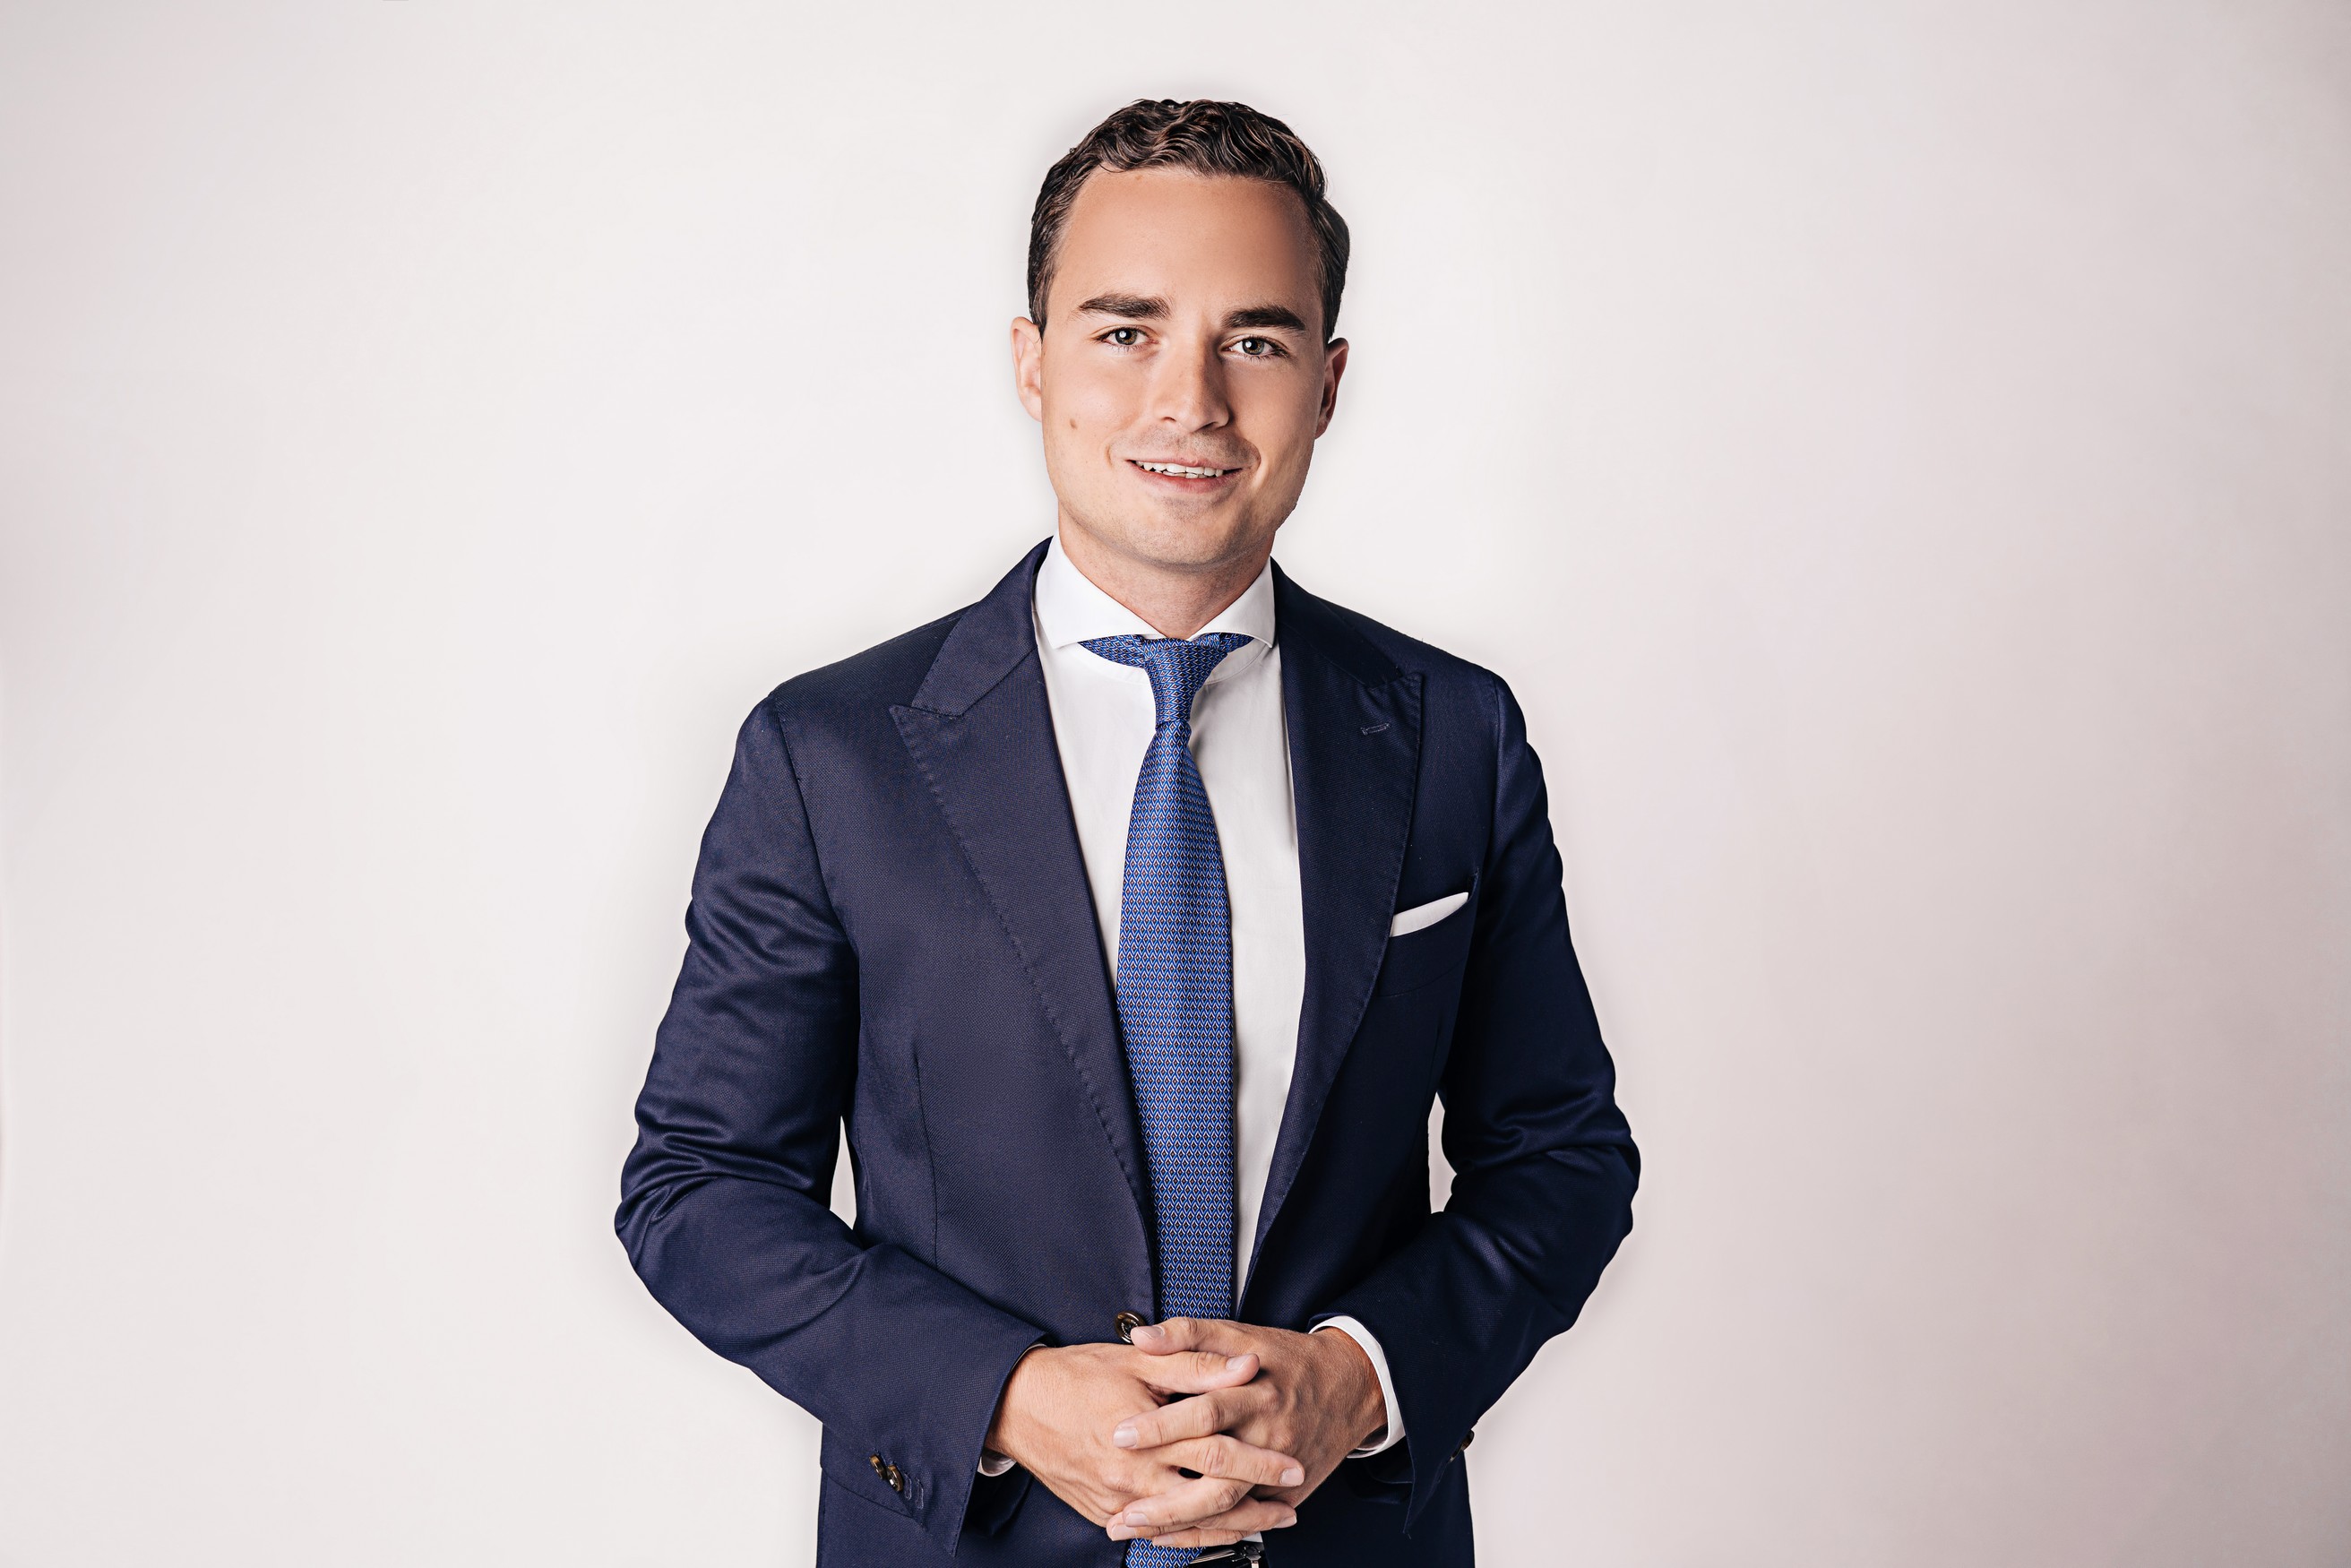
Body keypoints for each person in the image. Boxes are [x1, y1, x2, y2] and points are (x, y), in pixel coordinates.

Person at [616, 97, 1638, 1567]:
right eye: (1125, 331)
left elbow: (1562, 1156)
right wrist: (1006, 1394)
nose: (1191, 400)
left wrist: (1357, 1377)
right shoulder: (831, 756)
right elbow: (698, 1187)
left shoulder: (1451, 738)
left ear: (1329, 383)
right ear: (1031, 361)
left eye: (1256, 340)